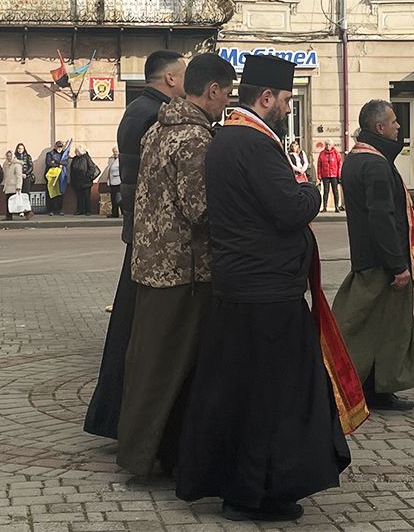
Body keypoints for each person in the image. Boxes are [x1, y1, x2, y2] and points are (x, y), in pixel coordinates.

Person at [176, 54, 351, 523]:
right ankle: (255, 494)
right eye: (287, 100)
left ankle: (238, 487)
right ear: (266, 97)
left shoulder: (227, 137)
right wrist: (310, 188)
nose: (289, 109)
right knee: (271, 398)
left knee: (238, 392)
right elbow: (290, 208)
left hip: (242, 287)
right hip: (265, 294)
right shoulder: (253, 143)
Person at [117, 53, 236, 478]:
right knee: (168, 370)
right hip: (183, 269)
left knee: (149, 363)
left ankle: (146, 451)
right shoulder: (194, 139)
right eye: (227, 94)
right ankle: (145, 456)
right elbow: (201, 209)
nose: (227, 103)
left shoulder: (160, 128)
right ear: (212, 90)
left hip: (153, 264)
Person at [333, 101, 414, 413]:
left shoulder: (359, 158)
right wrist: (397, 266)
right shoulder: (376, 165)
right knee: (386, 329)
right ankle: (367, 389)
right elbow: (381, 218)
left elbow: (402, 201)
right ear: (379, 127)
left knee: (374, 326)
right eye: (393, 122)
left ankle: (370, 389)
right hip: (382, 264)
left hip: (370, 259)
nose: (398, 127)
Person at [85, 50, 186, 440]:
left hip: (140, 232)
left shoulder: (137, 109)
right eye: (184, 74)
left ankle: (114, 417)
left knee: (128, 328)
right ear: (170, 79)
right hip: (153, 236)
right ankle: (123, 419)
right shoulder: (155, 115)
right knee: (137, 331)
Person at [69, 148, 99, 216]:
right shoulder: (75, 159)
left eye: (76, 151)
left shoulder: (87, 158)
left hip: (86, 182)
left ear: (80, 152)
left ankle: (88, 211)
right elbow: (72, 170)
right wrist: (72, 180)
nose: (75, 152)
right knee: (79, 197)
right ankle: (80, 210)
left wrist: (86, 176)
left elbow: (92, 168)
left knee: (86, 197)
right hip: (77, 182)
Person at [44, 141, 71, 215]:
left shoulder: (64, 154)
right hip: (52, 176)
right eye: (58, 146)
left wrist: (55, 162)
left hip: (61, 176)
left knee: (60, 193)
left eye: (61, 147)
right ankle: (51, 210)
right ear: (55, 146)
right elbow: (49, 163)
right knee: (51, 193)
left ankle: (59, 209)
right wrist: (58, 164)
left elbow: (66, 163)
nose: (59, 148)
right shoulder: (50, 154)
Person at [317, 139, 343, 213]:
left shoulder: (336, 153)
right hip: (325, 175)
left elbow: (340, 164)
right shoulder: (322, 154)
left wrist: (339, 175)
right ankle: (324, 207)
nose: (328, 146)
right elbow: (319, 165)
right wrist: (319, 176)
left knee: (335, 191)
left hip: (334, 175)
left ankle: (336, 207)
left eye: (329, 144)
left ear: (332, 145)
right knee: (325, 191)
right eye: (326, 144)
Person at [2, 149, 24, 220]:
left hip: (14, 186)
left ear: (13, 156)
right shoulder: (6, 164)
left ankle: (28, 212)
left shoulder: (17, 165)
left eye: (10, 156)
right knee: (9, 201)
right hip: (8, 186)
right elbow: (6, 175)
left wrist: (18, 186)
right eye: (7, 156)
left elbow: (19, 176)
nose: (9, 157)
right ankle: (8, 216)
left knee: (17, 201)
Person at [103, 147, 122, 218]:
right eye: (114, 152)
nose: (115, 153)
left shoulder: (120, 160)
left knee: (118, 199)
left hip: (118, 182)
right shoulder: (113, 160)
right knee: (113, 199)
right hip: (113, 182)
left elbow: (122, 170)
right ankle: (114, 213)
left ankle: (118, 213)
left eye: (116, 152)